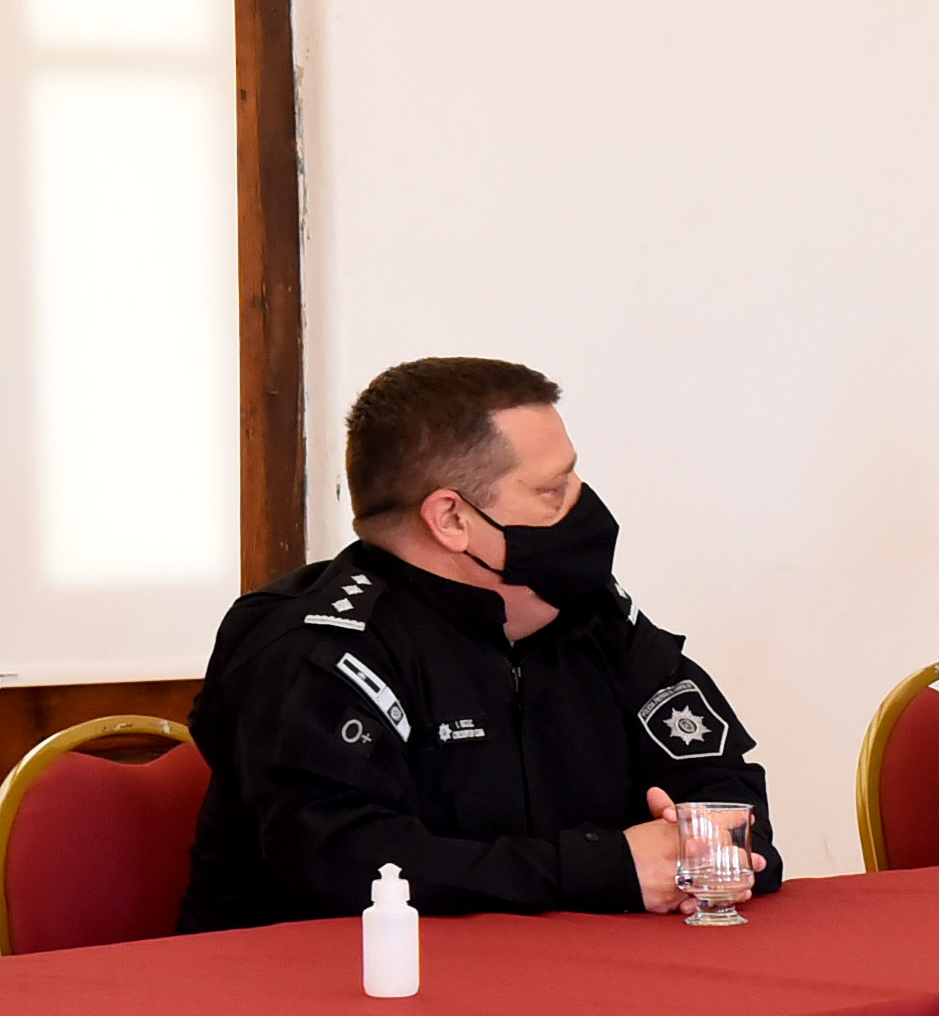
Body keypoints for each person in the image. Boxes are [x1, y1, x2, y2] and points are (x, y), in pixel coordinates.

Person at [179, 358, 778, 928]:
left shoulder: (592, 614)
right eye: (553, 489)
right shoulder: (314, 650)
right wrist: (605, 868)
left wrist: (699, 854)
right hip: (324, 985)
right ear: (452, 519)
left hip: (569, 973)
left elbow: (725, 790)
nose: (582, 502)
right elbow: (342, 865)